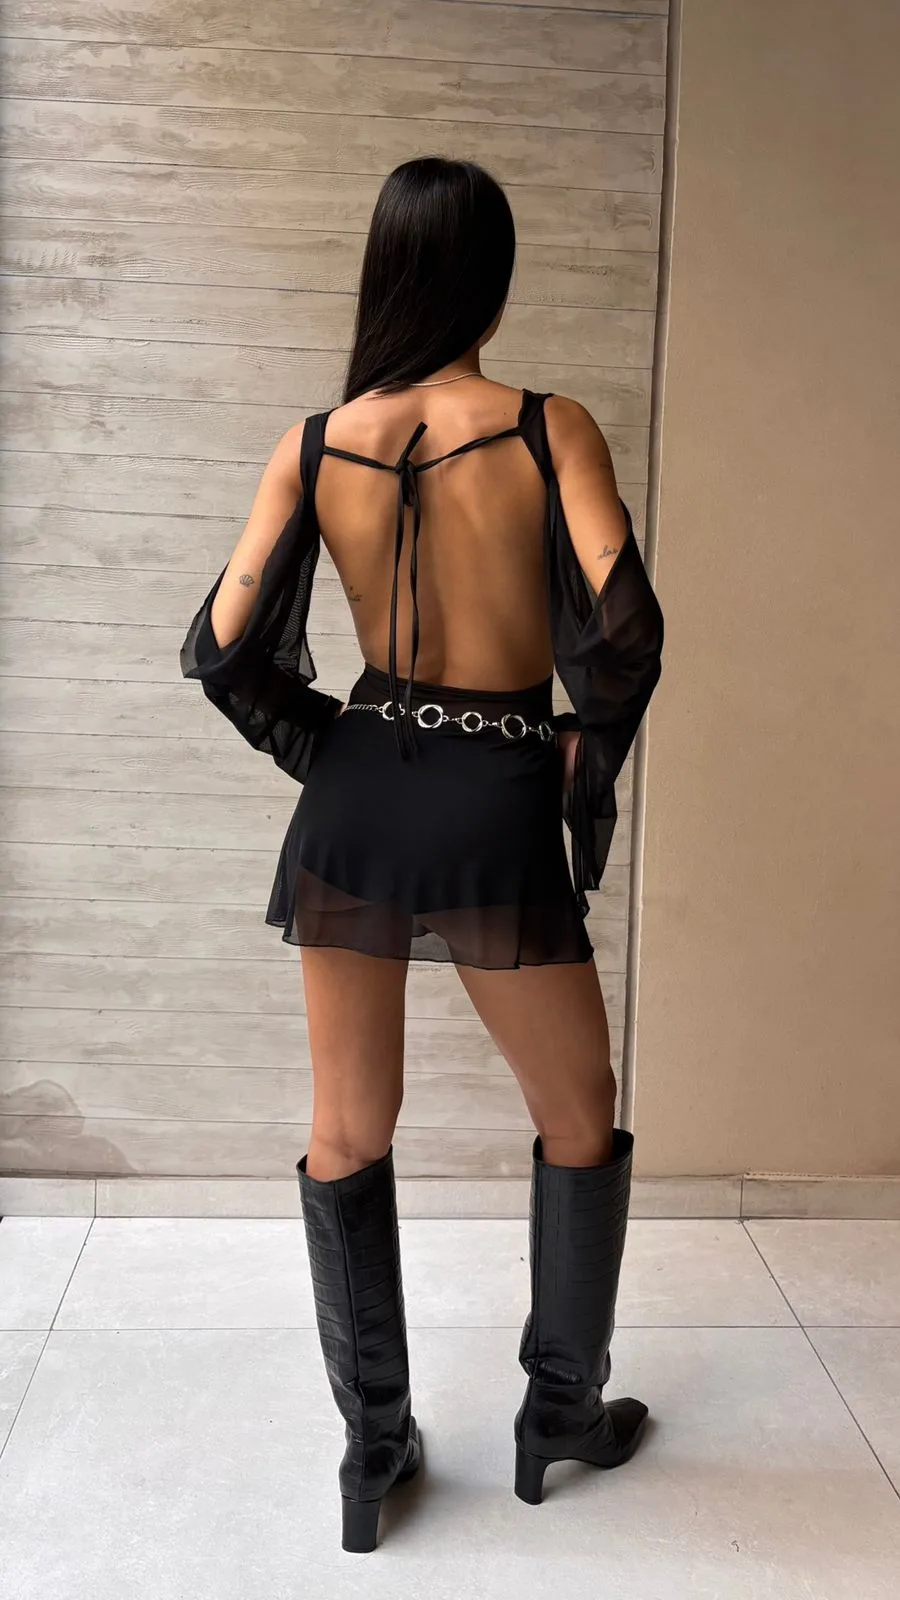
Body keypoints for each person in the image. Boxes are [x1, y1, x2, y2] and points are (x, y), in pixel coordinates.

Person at [181, 157, 663, 1553]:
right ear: (490, 284)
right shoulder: (546, 427)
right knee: (579, 1113)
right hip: (493, 789)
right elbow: (625, 626)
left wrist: (335, 739)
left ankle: (371, 1445)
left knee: (347, 1128)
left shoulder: (314, 442)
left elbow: (222, 645)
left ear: (385, 275)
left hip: (356, 796)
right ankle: (560, 1409)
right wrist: (575, 747)